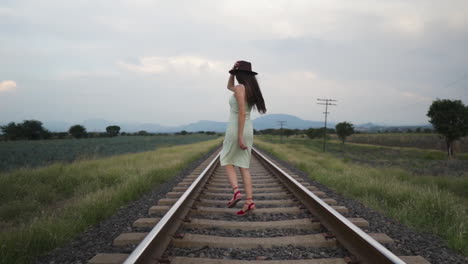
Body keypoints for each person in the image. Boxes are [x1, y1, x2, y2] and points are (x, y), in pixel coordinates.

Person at [220, 60, 267, 216]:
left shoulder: (240, 88)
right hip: (248, 128)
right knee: (243, 166)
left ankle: (236, 192)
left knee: (226, 159)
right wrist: (232, 73)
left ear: (240, 74)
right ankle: (249, 201)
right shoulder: (250, 89)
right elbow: (228, 87)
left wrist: (239, 136)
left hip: (236, 128)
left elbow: (240, 112)